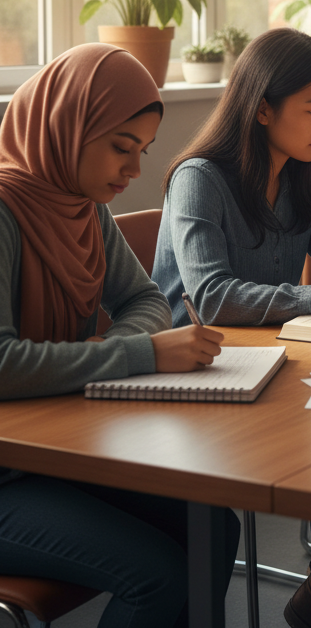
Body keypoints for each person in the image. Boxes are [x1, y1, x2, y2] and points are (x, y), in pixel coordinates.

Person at [153, 27, 311, 628]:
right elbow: (212, 299)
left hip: (277, 357)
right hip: (199, 375)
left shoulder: (303, 169)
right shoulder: (200, 177)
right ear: (263, 109)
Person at [0, 43, 238, 628]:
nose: (133, 171)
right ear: (64, 127)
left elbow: (144, 299)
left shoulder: (81, 206)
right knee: (156, 574)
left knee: (214, 525)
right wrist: (139, 353)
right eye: (119, 148)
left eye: (142, 151)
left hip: (54, 450)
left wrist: (112, 351)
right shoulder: (5, 210)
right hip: (7, 473)